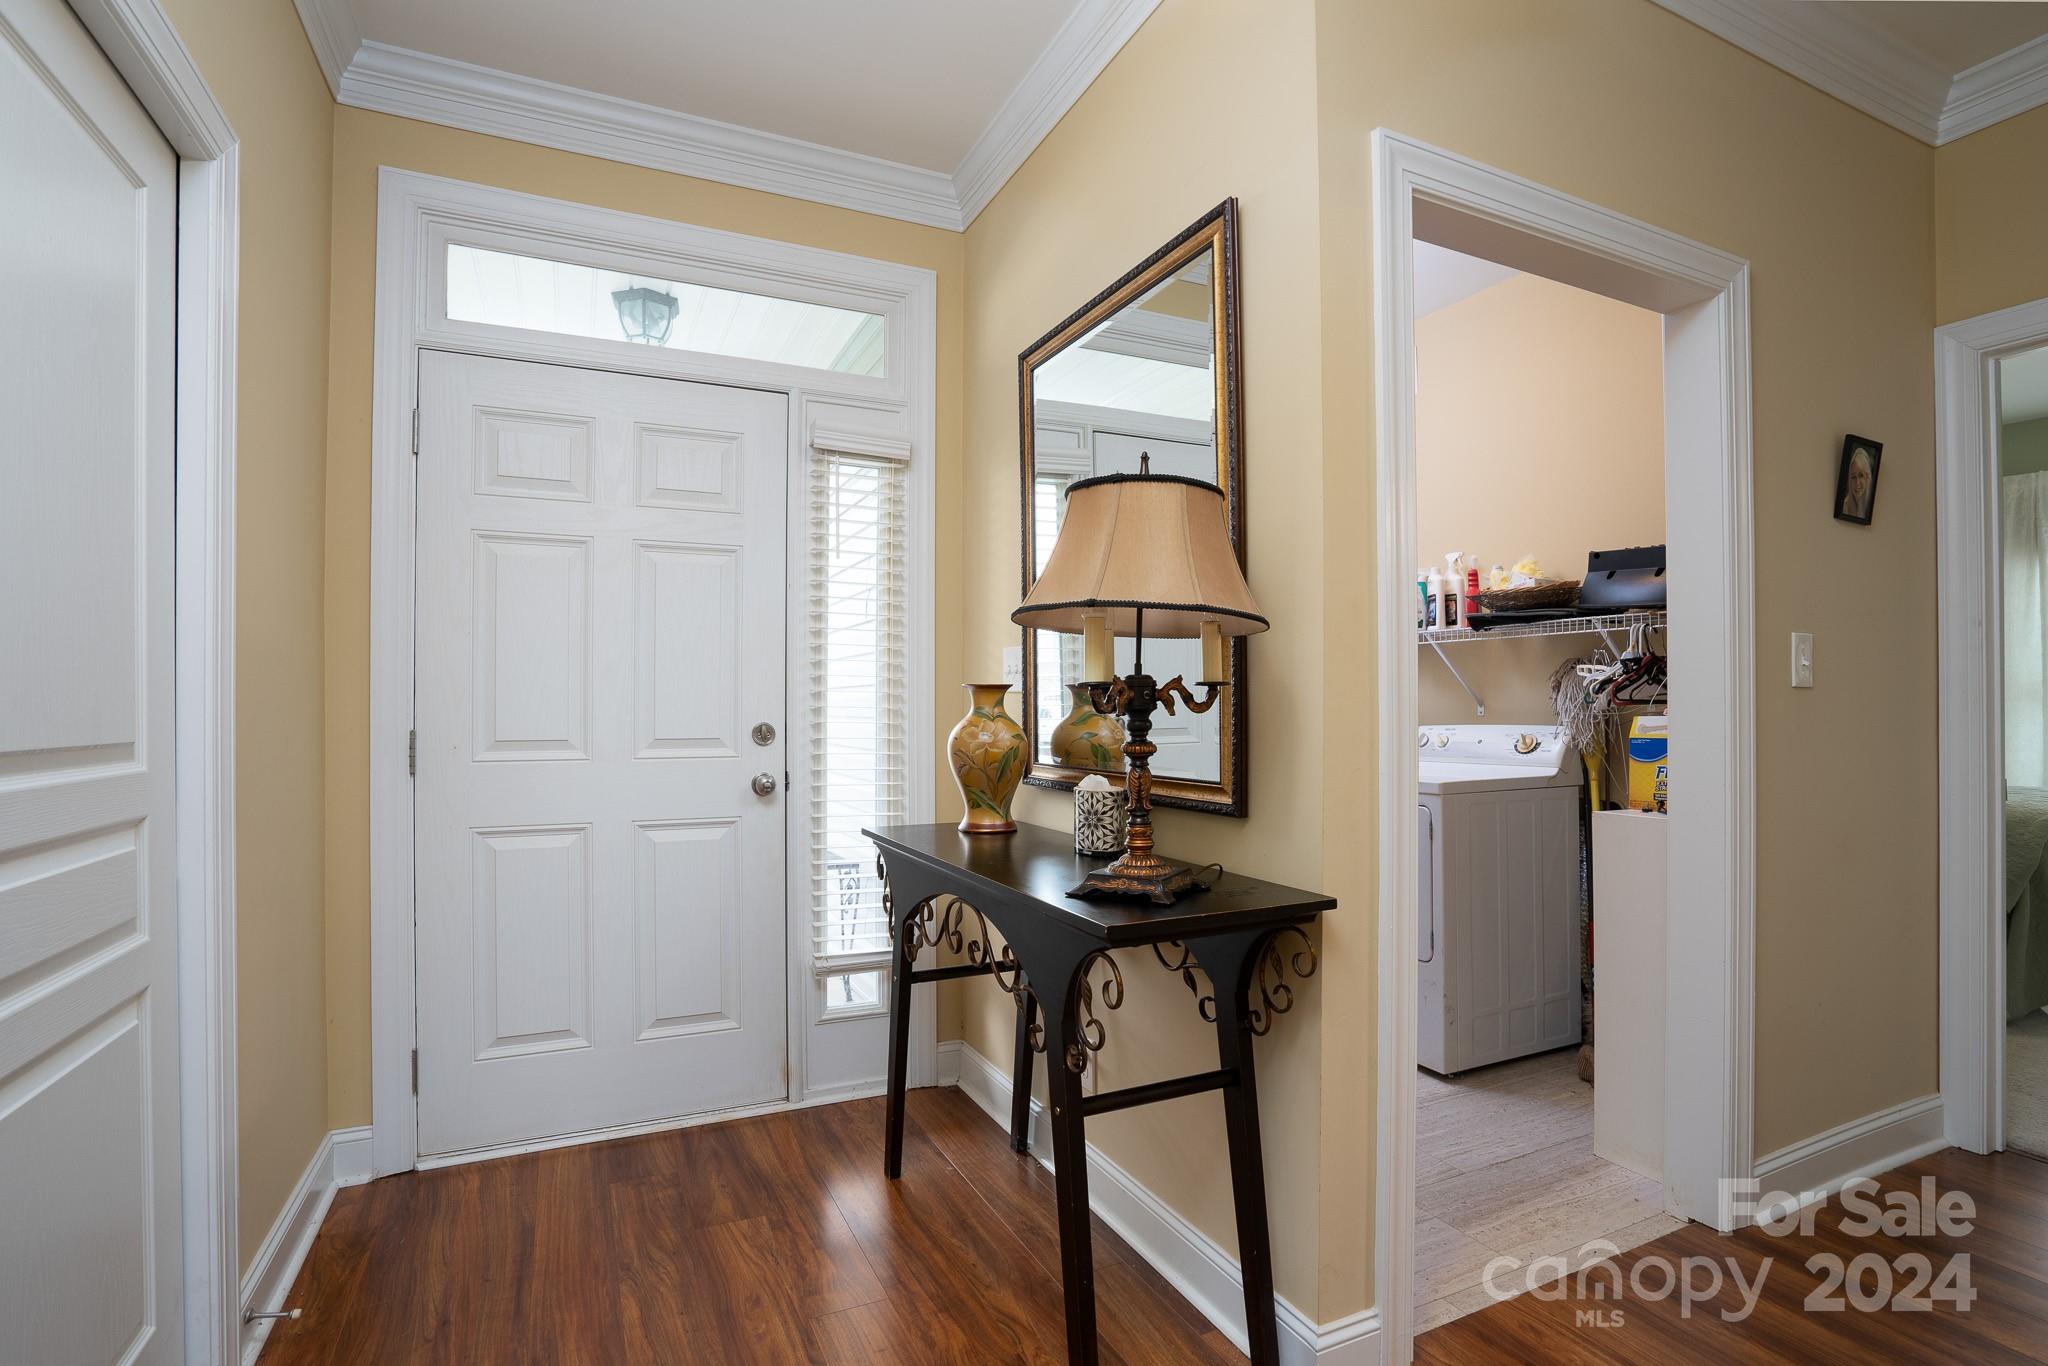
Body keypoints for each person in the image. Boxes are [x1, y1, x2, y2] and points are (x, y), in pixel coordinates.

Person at [1840, 445, 1875, 520]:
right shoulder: (1844, 507)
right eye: (1853, 477)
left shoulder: (1873, 505)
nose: (1857, 483)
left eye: (1861, 475)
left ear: (1867, 477)